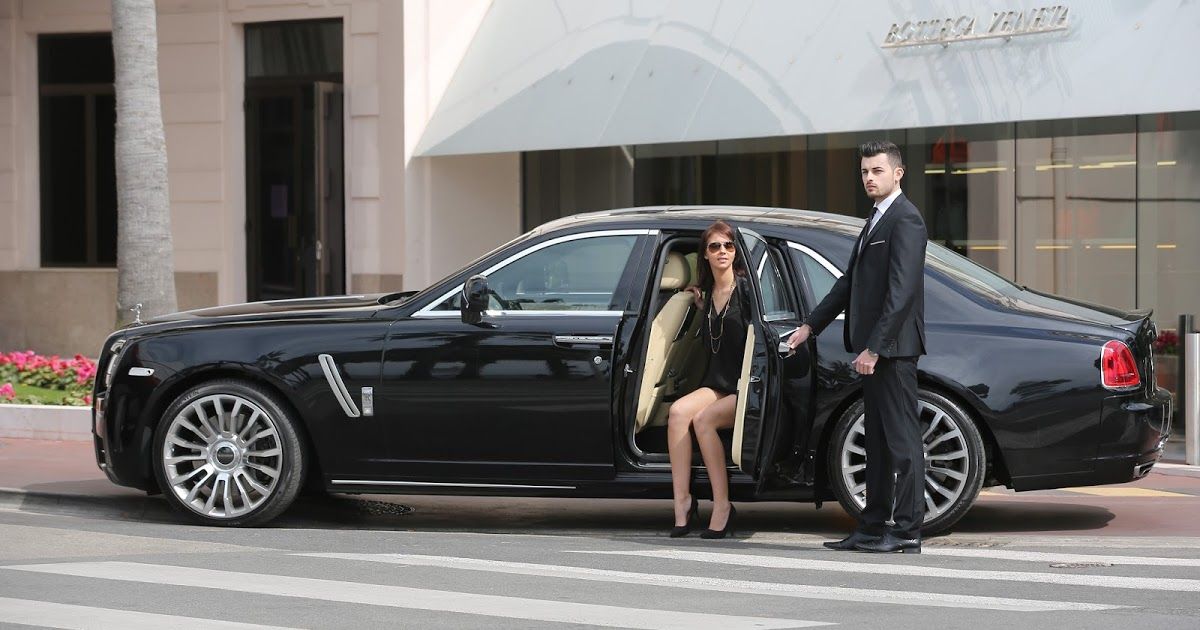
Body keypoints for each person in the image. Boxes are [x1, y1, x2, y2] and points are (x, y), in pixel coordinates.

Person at [788, 140, 928, 554]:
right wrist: (810, 326)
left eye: (877, 171)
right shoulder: (876, 218)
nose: (869, 178)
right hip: (877, 348)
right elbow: (849, 283)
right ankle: (871, 527)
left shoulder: (906, 219)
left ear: (898, 173)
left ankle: (907, 532)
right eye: (865, 171)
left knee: (902, 443)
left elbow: (901, 293)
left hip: (893, 350)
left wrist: (875, 348)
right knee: (878, 445)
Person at [667, 219, 750, 539]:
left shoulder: (746, 291)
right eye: (715, 246)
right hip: (719, 384)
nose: (722, 251)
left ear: (736, 252)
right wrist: (698, 304)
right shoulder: (708, 294)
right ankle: (682, 502)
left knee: (704, 420)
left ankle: (722, 505)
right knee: (677, 413)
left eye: (728, 246)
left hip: (746, 386)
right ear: (705, 254)